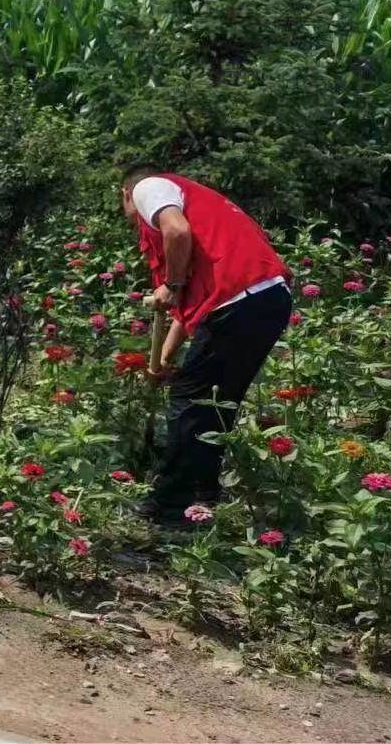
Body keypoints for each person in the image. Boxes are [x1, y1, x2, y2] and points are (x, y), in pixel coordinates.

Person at [122, 167, 292, 526]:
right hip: (265, 299)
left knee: (192, 400)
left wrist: (169, 283)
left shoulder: (149, 187)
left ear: (125, 194)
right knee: (216, 402)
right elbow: (189, 305)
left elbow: (177, 232)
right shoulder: (202, 208)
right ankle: (202, 497)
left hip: (239, 299)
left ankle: (167, 506)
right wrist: (165, 357)